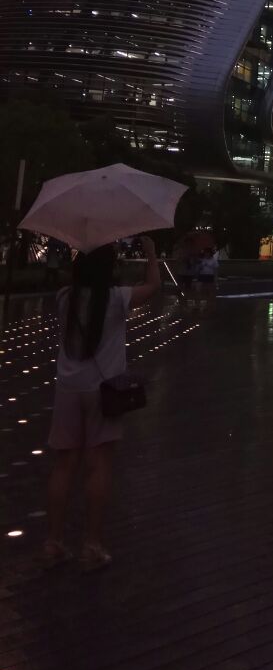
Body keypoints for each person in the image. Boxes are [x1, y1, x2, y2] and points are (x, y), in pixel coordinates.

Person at [42, 236, 160, 571]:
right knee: (99, 465)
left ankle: (53, 542)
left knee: (64, 465)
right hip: (103, 391)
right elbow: (153, 286)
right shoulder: (117, 298)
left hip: (68, 387)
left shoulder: (65, 297)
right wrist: (151, 254)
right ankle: (91, 545)